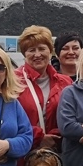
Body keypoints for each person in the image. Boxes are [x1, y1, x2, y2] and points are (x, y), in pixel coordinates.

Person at [15, 25, 72, 157]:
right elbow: (9, 118)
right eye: (31, 50)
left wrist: (55, 137)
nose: (37, 54)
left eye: (42, 49)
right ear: (24, 54)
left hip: (58, 151)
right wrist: (39, 137)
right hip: (24, 152)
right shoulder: (13, 81)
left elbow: (71, 114)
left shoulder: (66, 82)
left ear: (50, 51)